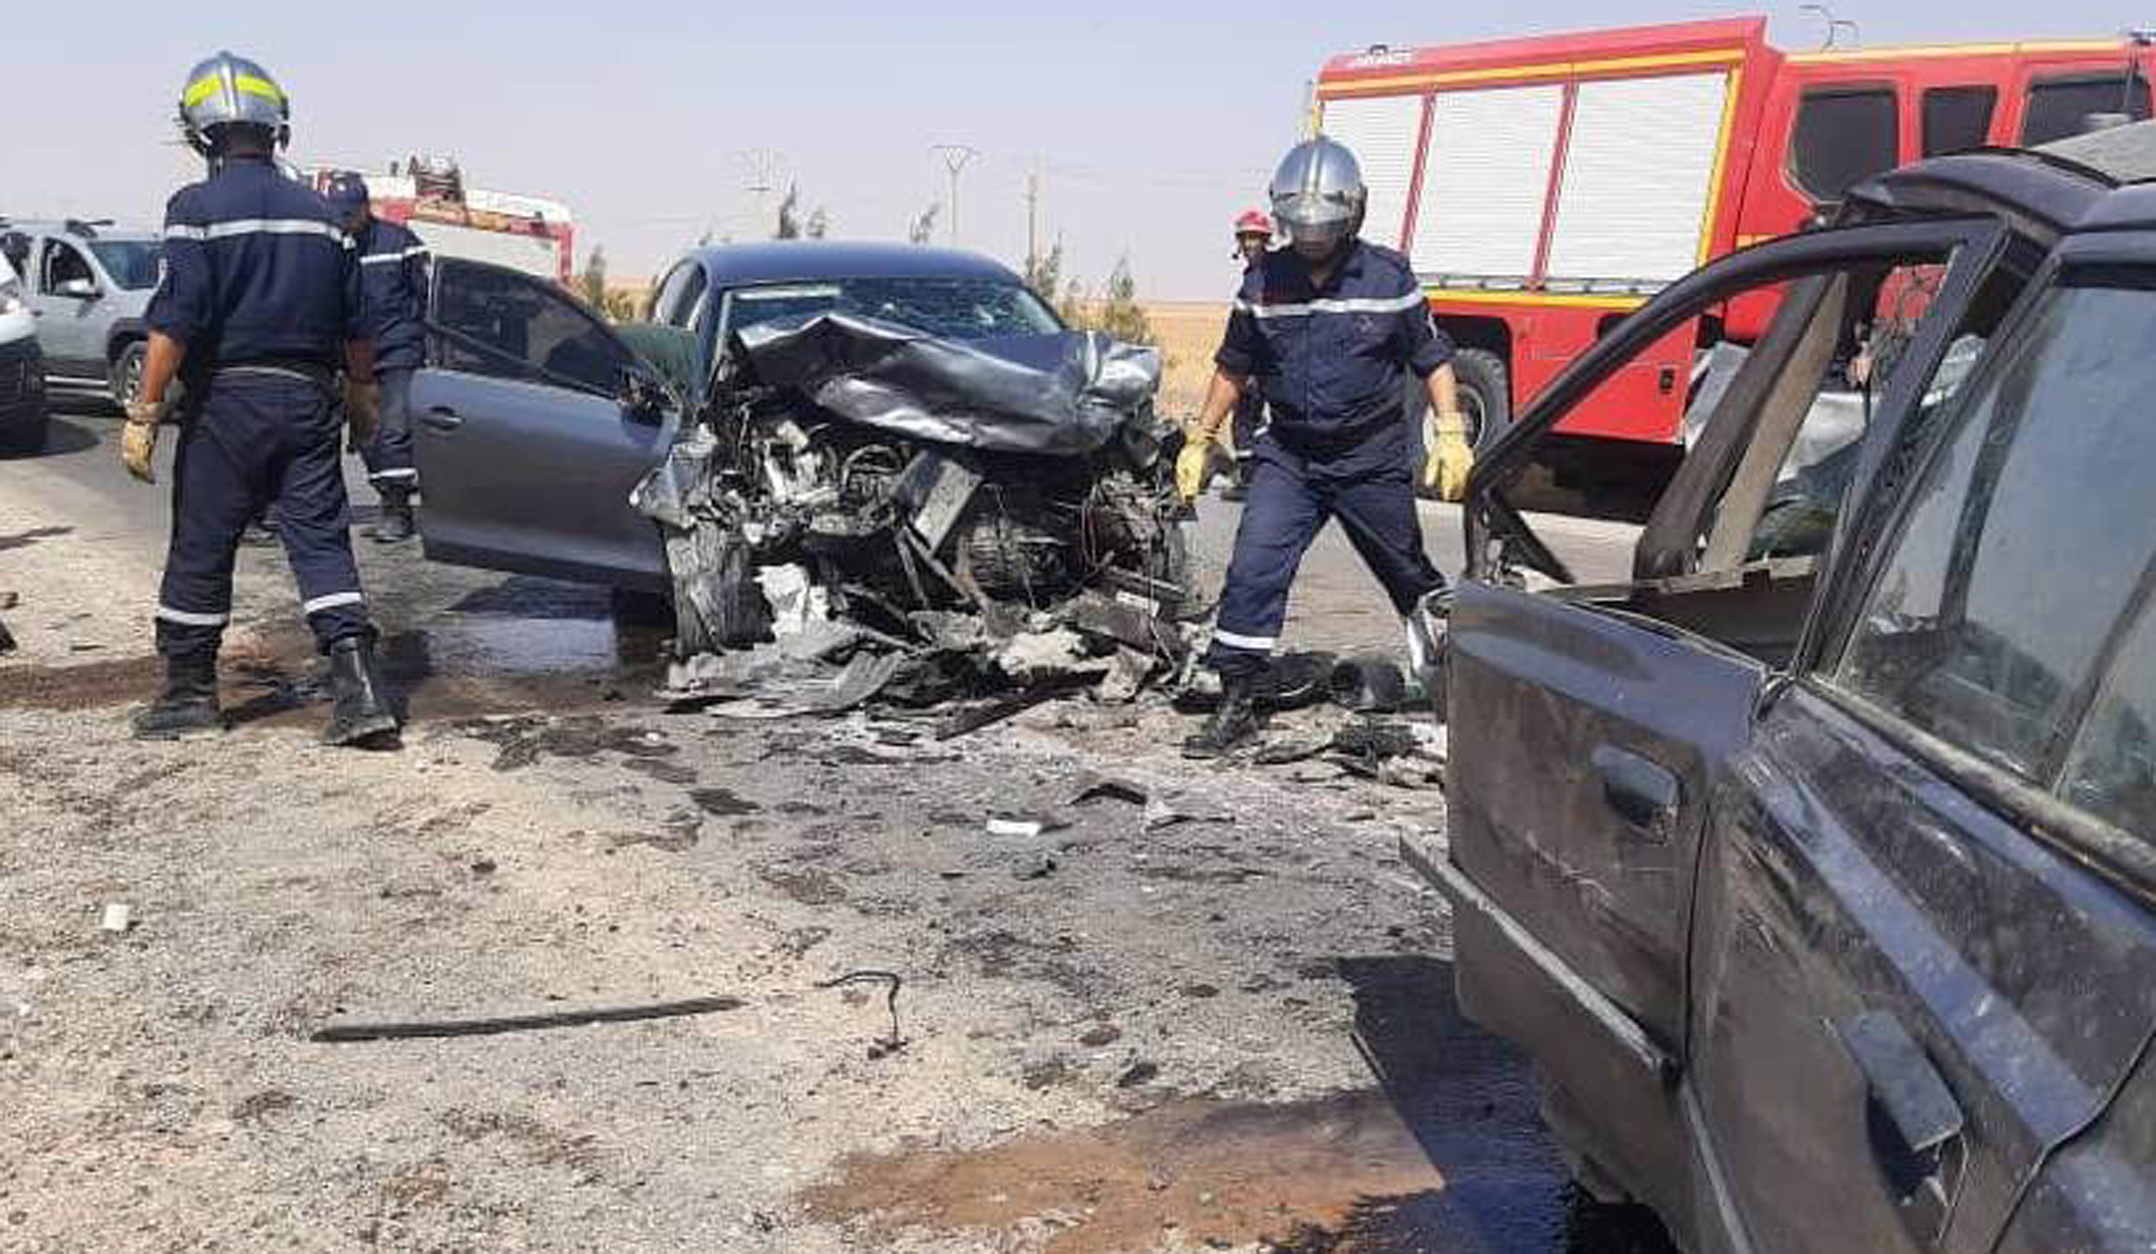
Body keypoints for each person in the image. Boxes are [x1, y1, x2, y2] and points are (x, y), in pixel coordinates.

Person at [122, 51, 399, 748]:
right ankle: (361, 693)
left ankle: (189, 695)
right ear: (278, 128)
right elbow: (359, 327)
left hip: (227, 403)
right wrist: (362, 398)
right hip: (309, 401)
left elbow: (175, 318)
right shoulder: (325, 217)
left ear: (200, 133)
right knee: (321, 542)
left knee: (203, 542)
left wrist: (146, 410)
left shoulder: (194, 209)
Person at [1175, 137, 1475, 757]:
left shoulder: (1389, 278)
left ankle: (1462, 691)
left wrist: (1450, 430)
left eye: (1324, 228)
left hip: (1370, 459)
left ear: (1353, 214)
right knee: (1253, 569)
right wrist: (1201, 437)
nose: (1312, 239)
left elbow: (1433, 359)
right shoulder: (1262, 283)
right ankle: (1236, 703)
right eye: (1301, 228)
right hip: (1289, 457)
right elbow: (1233, 368)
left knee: (1410, 575)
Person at [322, 171, 429, 543]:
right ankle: (387, 497)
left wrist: (417, 341)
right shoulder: (332, 248)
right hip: (353, 359)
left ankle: (398, 512)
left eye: (350, 213)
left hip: (398, 353)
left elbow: (424, 298)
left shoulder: (400, 243)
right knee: (366, 436)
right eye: (338, 213)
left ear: (366, 207)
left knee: (395, 431)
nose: (345, 220)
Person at [1221, 209, 1274, 501]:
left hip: (1258, 366)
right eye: (1245, 238)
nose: (1249, 243)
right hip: (1262, 365)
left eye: (1255, 237)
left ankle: (1250, 480)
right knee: (1254, 421)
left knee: (1244, 421)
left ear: (1265, 240)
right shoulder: (1258, 274)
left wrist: (1250, 370)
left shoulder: (1263, 276)